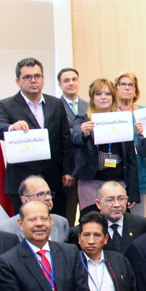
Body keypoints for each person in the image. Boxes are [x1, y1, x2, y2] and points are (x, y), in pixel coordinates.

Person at [0, 58, 74, 217]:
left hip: (53, 179)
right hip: (22, 181)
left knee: (55, 224)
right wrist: (11, 128)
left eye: (37, 76)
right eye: (27, 77)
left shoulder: (56, 104)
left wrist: (68, 170)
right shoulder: (5, 105)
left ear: (43, 79)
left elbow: (65, 139)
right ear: (18, 81)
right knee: (25, 226)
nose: (33, 80)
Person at [71, 79, 140, 209]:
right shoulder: (83, 118)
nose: (103, 97)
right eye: (98, 94)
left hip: (118, 182)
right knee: (91, 220)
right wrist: (83, 133)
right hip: (90, 183)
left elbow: (131, 159)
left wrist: (133, 193)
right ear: (92, 98)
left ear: (113, 97)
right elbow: (75, 139)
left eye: (107, 94)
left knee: (116, 221)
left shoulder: (122, 119)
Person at [0, 175, 71, 242]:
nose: (48, 198)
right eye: (41, 194)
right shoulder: (3, 230)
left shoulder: (61, 223)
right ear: (25, 200)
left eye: (48, 193)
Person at [115, 72, 146, 216]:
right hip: (117, 172)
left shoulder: (144, 112)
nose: (127, 88)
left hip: (142, 171)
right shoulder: (110, 112)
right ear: (116, 88)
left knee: (139, 219)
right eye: (122, 84)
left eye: (131, 85)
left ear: (136, 90)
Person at [58, 67, 85, 224]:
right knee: (68, 216)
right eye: (66, 80)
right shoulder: (55, 106)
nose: (71, 83)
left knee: (87, 214)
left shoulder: (89, 106)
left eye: (74, 79)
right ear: (60, 85)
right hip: (68, 170)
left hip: (88, 169)